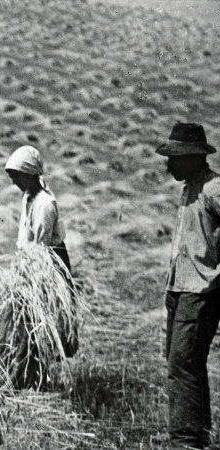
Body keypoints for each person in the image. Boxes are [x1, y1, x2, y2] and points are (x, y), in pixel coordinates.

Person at [156, 123, 220, 449]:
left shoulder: (214, 190)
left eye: (175, 158)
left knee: (183, 363)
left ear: (195, 157)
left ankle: (186, 440)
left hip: (200, 290)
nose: (169, 166)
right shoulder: (189, 188)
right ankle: (193, 433)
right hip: (180, 287)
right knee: (181, 362)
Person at [4, 145, 78, 363]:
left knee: (43, 319)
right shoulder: (29, 196)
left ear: (28, 174)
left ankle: (41, 365)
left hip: (47, 264)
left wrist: (31, 278)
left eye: (16, 176)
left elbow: (41, 247)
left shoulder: (45, 204)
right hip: (31, 260)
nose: (13, 182)